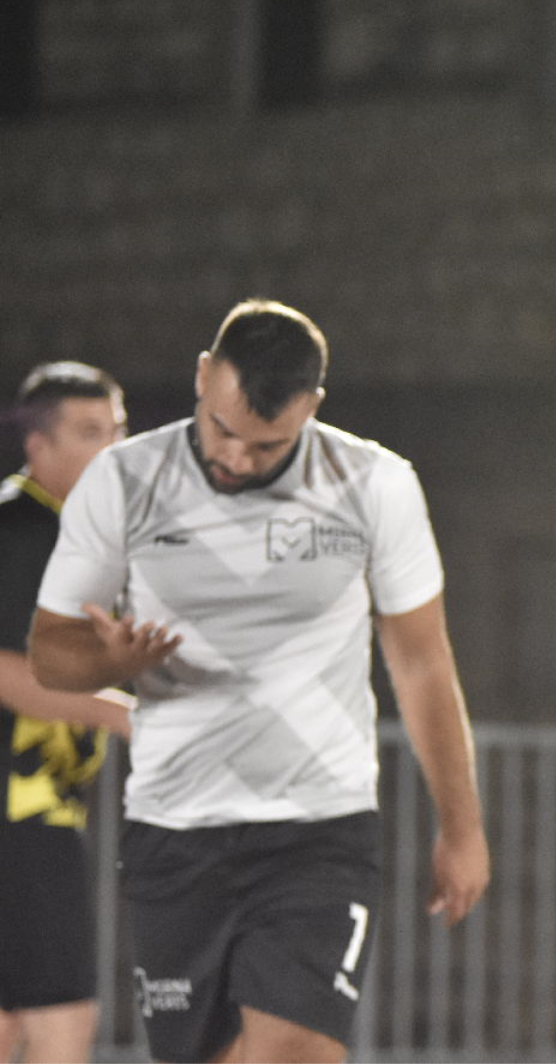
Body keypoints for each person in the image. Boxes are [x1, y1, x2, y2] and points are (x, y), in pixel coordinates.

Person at [28, 300, 490, 1064]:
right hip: (176, 828)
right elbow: (51, 654)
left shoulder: (373, 483)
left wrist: (463, 826)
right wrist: (112, 661)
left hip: (318, 827)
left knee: (294, 1053)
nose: (238, 459)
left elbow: (422, 662)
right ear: (203, 377)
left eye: (267, 444)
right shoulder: (125, 478)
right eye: (222, 430)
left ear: (311, 407)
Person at [0, 363, 132, 1064]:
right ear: (37, 445)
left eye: (117, 430)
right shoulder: (24, 528)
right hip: (20, 810)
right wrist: (124, 715)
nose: (112, 448)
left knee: (15, 1015)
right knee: (60, 1013)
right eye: (89, 432)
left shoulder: (66, 530)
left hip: (38, 806)